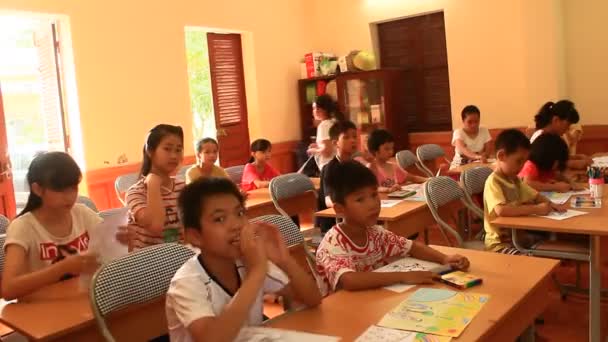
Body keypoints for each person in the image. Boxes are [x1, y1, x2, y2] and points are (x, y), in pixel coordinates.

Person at [166, 178, 321, 341]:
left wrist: (285, 260)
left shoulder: (247, 261)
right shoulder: (186, 282)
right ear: (195, 236)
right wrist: (256, 272)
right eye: (220, 219)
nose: (236, 225)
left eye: (239, 213)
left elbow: (312, 298)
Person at [315, 161, 469, 295]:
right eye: (360, 199)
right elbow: (350, 280)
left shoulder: (375, 233)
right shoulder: (333, 243)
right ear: (340, 209)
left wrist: (445, 259)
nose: (373, 204)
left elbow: (412, 247)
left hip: (372, 301)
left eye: (374, 195)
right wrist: (403, 276)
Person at [2, 152, 100, 300]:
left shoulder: (82, 213)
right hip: (40, 310)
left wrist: (123, 241)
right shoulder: (22, 227)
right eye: (60, 190)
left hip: (80, 300)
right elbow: (8, 289)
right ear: (37, 189)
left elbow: (108, 250)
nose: (70, 196)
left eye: (73, 188)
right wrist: (62, 268)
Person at [484, 129, 566, 254]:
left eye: (524, 162)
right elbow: (502, 210)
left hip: (517, 237)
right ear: (501, 156)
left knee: (548, 246)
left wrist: (552, 205)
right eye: (518, 161)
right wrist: (536, 209)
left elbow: (535, 195)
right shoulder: (493, 182)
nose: (521, 167)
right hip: (499, 243)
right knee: (529, 261)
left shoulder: (514, 179)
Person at [126, 124, 185, 251]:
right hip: (148, 264)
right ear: (150, 151)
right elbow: (155, 226)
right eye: (167, 149)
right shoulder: (136, 192)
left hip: (181, 259)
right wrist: (153, 185)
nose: (174, 156)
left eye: (178, 150)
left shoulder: (182, 187)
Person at [317, 120, 358, 234]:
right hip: (333, 224)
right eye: (346, 137)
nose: (353, 140)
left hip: (354, 216)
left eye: (354, 136)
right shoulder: (329, 169)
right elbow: (329, 201)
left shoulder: (356, 165)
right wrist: (350, 205)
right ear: (335, 143)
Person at [530, 100, 592, 169]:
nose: (568, 128)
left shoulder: (553, 137)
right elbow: (542, 163)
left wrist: (578, 157)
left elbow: (555, 158)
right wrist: (572, 164)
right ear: (556, 120)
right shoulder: (540, 137)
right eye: (568, 124)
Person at [307, 94, 343, 170]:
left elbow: (327, 152)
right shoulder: (333, 122)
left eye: (314, 108)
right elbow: (330, 145)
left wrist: (313, 151)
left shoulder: (324, 125)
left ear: (320, 110)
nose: (313, 111)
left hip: (328, 167)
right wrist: (318, 146)